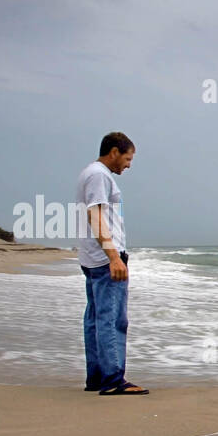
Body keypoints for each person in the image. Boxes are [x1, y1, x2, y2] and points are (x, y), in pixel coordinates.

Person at [78, 131, 148, 395]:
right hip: (105, 257)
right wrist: (114, 257)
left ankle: (97, 377)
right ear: (114, 152)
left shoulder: (91, 172)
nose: (128, 165)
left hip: (93, 257)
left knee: (96, 318)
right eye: (128, 158)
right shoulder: (99, 175)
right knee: (112, 319)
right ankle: (112, 380)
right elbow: (95, 215)